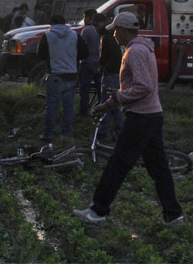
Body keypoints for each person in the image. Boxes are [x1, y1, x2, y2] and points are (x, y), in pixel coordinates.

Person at [74, 12, 183, 225]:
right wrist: (105, 106)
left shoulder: (134, 52)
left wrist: (119, 96)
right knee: (158, 168)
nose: (113, 34)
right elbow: (132, 88)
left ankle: (98, 211)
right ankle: (173, 214)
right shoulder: (143, 49)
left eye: (115, 30)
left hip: (140, 118)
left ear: (124, 31)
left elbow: (143, 87)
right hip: (152, 115)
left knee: (118, 164)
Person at [37, 14, 88, 141]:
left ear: (52, 23)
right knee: (69, 107)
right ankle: (66, 134)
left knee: (52, 106)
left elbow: (40, 54)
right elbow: (85, 53)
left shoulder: (47, 35)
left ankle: (49, 134)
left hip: (55, 75)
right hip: (71, 75)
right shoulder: (75, 35)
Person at [95, 13, 123, 137]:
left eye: (96, 25)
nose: (95, 28)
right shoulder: (111, 34)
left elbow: (114, 55)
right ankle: (119, 128)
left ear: (102, 22)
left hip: (111, 73)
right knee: (115, 102)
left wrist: (105, 68)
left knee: (106, 101)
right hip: (116, 72)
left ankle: (103, 131)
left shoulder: (107, 36)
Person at [79, 8, 101, 116]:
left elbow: (82, 47)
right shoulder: (102, 29)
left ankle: (84, 112)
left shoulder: (86, 30)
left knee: (85, 90)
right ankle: (103, 111)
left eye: (84, 17)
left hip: (87, 63)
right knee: (101, 89)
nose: (83, 19)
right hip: (100, 64)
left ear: (89, 18)